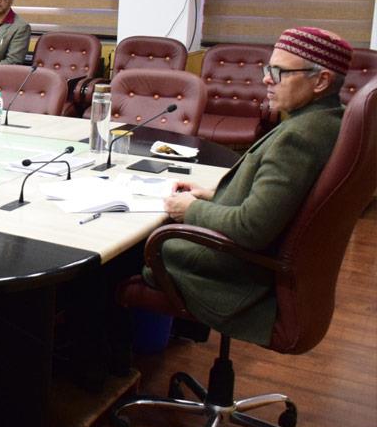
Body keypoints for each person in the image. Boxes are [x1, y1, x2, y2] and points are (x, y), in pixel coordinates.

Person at [148, 27, 352, 346]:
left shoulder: (298, 138)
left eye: (280, 72)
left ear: (322, 81)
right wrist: (215, 196)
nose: (267, 79)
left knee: (129, 252)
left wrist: (192, 208)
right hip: (260, 269)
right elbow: (280, 203)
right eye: (268, 69)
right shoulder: (327, 123)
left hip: (237, 279)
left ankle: (100, 370)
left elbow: (251, 228)